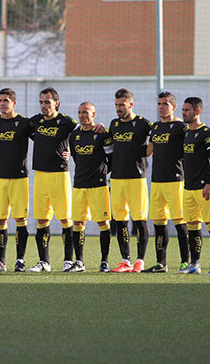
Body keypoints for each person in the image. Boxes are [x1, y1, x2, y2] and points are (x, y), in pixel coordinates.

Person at [27, 87, 79, 272]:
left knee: (65, 219)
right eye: (41, 102)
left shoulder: (66, 121)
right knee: (41, 220)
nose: (44, 105)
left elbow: (83, 132)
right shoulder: (35, 121)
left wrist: (72, 150)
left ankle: (68, 261)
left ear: (56, 102)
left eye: (47, 102)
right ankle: (44, 262)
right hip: (40, 175)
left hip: (60, 174)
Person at [0, 88, 33, 272]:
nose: (2, 103)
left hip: (19, 178)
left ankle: (20, 260)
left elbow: (46, 137)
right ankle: (0, 262)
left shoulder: (24, 123)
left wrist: (64, 151)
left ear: (14, 102)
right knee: (0, 220)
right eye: (0, 100)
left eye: (6, 100)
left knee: (20, 219)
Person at [142, 92, 189, 273]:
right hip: (157, 182)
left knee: (179, 222)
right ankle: (161, 263)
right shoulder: (155, 128)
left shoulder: (180, 127)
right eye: (159, 104)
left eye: (165, 104)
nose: (161, 107)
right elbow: (148, 151)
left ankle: (186, 262)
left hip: (175, 181)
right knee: (159, 223)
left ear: (173, 107)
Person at [108, 88, 153, 273]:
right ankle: (125, 260)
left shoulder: (143, 123)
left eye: (122, 105)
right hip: (117, 178)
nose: (118, 108)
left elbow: (157, 135)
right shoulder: (114, 124)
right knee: (120, 220)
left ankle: (140, 260)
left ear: (131, 104)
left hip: (136, 178)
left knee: (140, 219)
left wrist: (148, 151)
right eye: (116, 105)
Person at [181, 97, 210, 275]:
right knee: (192, 226)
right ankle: (195, 264)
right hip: (188, 187)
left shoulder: (207, 133)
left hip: (205, 188)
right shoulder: (186, 133)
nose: (184, 113)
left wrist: (209, 183)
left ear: (197, 112)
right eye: (183, 110)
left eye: (187, 110)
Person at [68, 102, 114, 273]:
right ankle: (79, 262)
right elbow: (75, 158)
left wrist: (102, 173)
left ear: (94, 114)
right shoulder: (74, 136)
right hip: (79, 185)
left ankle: (104, 261)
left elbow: (111, 159)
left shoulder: (103, 135)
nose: (82, 115)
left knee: (103, 222)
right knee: (78, 222)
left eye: (86, 112)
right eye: (80, 112)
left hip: (98, 186)